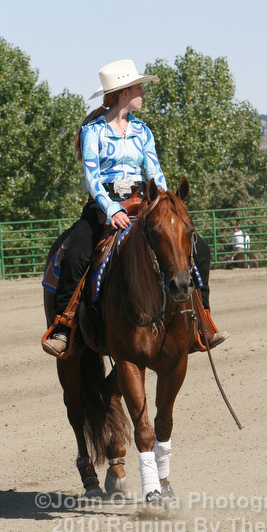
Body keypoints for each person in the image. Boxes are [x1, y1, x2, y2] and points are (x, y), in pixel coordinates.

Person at [42, 59, 228, 356]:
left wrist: (165, 203)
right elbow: (92, 178)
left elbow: (155, 172)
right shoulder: (93, 131)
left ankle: (202, 320)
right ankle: (64, 325)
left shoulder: (143, 131)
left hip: (144, 202)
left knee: (200, 249)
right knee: (77, 252)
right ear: (124, 92)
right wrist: (111, 209)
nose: (143, 92)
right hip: (103, 203)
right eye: (139, 87)